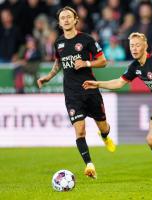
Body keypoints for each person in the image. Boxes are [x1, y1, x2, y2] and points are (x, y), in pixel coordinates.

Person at [83, 32, 152, 180]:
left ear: (146, 46)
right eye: (132, 45)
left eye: (138, 45)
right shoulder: (134, 66)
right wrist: (98, 84)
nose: (134, 48)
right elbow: (119, 82)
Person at [36, 6, 116, 179]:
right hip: (72, 93)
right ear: (59, 22)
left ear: (75, 20)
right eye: (62, 18)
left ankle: (105, 137)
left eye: (68, 17)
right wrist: (48, 77)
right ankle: (89, 165)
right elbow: (58, 63)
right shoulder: (58, 43)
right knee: (79, 131)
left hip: (91, 89)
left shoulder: (87, 39)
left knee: (103, 126)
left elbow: (103, 61)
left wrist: (86, 63)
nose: (65, 20)